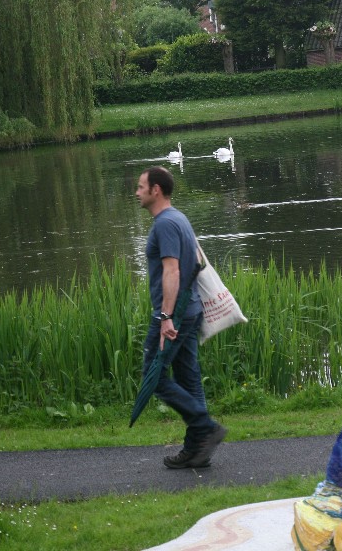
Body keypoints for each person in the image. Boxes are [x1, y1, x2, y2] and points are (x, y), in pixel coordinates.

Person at [135, 166, 227, 468]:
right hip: (190, 310)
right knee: (189, 378)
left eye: (141, 187)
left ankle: (205, 426)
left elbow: (172, 271)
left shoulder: (165, 224)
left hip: (175, 315)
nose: (136, 192)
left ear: (156, 190)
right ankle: (197, 450)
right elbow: (196, 261)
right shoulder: (179, 218)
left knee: (155, 379)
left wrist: (166, 317)